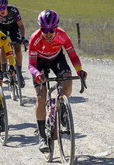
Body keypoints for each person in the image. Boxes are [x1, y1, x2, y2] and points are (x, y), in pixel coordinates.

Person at [28, 9, 87, 153]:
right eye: (44, 29)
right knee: (41, 97)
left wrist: (79, 70)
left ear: (56, 28)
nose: (48, 33)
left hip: (56, 59)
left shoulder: (62, 35)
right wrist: (37, 75)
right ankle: (42, 136)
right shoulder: (35, 39)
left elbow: (72, 56)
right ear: (40, 28)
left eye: (51, 29)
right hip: (40, 63)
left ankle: (62, 109)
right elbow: (31, 65)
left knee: (67, 80)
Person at [0, 0, 27, 88]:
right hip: (1, 28)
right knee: (3, 46)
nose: (1, 10)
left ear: (6, 6)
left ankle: (19, 73)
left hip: (14, 27)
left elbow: (21, 26)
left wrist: (23, 37)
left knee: (17, 48)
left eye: (3, 7)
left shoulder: (13, 11)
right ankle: (4, 72)